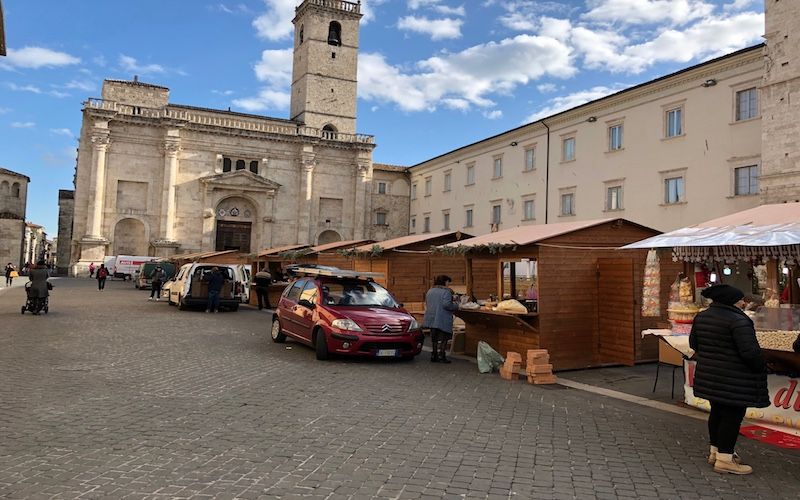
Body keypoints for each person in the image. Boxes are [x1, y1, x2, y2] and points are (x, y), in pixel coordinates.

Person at [689, 284, 769, 475]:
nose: (744, 302)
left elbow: (694, 344)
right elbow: (749, 352)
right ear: (732, 300)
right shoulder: (737, 320)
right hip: (734, 378)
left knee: (717, 412)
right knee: (732, 417)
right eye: (741, 299)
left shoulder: (702, 316)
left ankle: (715, 452)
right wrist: (761, 366)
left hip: (710, 375)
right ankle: (725, 460)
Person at [422, 275, 459, 363]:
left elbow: (427, 303)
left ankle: (434, 355)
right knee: (444, 338)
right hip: (442, 318)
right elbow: (447, 305)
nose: (448, 284)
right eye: (448, 282)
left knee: (434, 338)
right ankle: (442, 355)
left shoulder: (430, 291)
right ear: (445, 282)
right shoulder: (446, 292)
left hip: (432, 317)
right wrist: (456, 305)